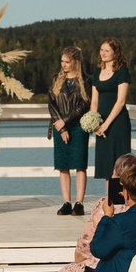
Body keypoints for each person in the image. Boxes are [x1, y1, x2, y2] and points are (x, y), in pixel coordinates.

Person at [48, 48, 92, 214]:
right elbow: (51, 104)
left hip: (79, 126)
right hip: (60, 127)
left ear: (76, 62)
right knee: (63, 165)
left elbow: (84, 105)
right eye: (62, 61)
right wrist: (62, 127)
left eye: (67, 62)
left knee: (80, 164)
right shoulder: (56, 79)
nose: (64, 65)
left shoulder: (86, 81)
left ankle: (79, 203)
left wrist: (65, 121)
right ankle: (66, 202)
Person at [89, 39, 134, 182]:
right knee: (107, 166)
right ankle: (110, 196)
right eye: (101, 50)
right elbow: (94, 101)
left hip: (117, 123)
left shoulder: (122, 72)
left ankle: (119, 196)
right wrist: (94, 122)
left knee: (119, 166)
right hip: (101, 124)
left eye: (107, 50)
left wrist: (106, 124)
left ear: (115, 53)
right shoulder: (97, 73)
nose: (103, 53)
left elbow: (121, 101)